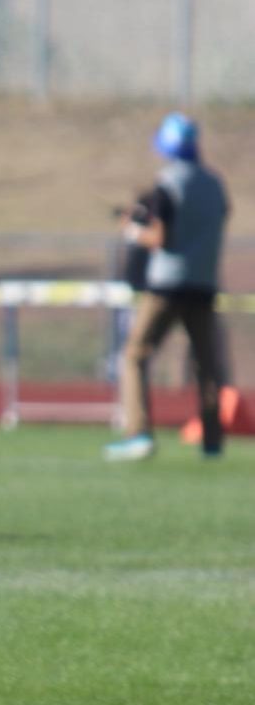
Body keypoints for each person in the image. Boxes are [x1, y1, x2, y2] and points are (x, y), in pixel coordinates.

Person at [105, 113, 230, 461]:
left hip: (167, 286)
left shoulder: (169, 183)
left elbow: (159, 236)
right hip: (204, 285)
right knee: (207, 364)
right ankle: (213, 440)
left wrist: (131, 229)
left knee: (134, 355)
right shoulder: (214, 183)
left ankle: (138, 432)